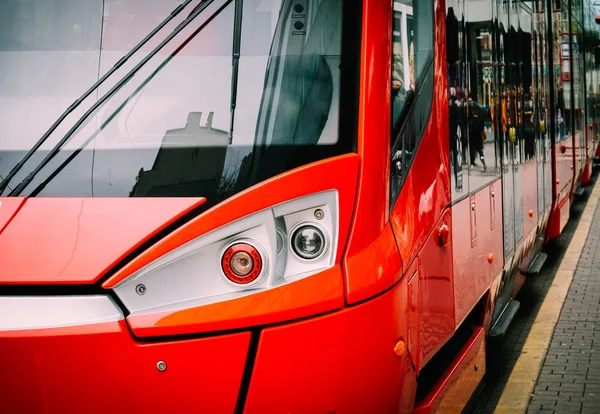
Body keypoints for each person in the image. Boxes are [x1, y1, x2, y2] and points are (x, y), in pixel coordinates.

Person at [468, 100, 486, 171]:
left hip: (473, 137)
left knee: (472, 150)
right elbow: (482, 126)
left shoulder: (472, 118)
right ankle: (483, 162)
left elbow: (470, 126)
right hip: (479, 137)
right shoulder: (480, 117)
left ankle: (472, 164)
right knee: (480, 151)